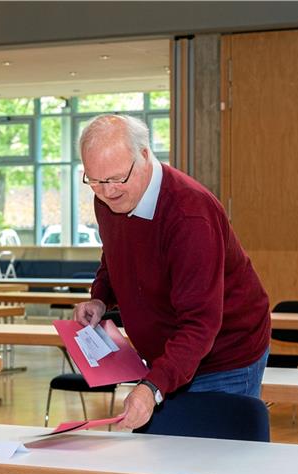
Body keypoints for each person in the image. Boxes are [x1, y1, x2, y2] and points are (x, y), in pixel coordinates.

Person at [73, 114, 271, 430]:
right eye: (95, 181)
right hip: (168, 352)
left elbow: (200, 323)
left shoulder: (189, 215)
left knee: (217, 465)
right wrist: (100, 299)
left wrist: (153, 386)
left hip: (224, 355)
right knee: (166, 460)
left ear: (145, 156)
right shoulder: (111, 200)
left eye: (116, 179)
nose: (108, 192)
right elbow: (114, 255)